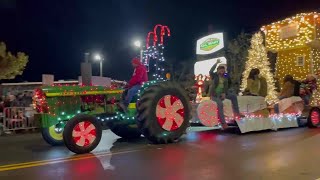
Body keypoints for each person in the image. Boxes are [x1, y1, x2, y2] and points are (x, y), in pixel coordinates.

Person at [209, 60, 242, 129]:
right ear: (218, 70)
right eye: (221, 70)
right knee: (220, 104)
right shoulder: (214, 75)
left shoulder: (225, 76)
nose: (222, 72)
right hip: (214, 95)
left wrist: (224, 93)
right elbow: (211, 71)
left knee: (233, 96)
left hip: (222, 94)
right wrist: (216, 63)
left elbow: (228, 83)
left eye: (223, 71)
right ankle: (223, 123)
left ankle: (237, 113)